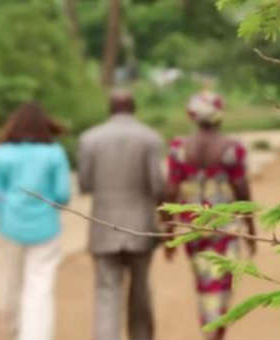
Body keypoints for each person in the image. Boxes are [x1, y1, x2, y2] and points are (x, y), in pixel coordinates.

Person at [163, 90, 256, 340]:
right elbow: (242, 189)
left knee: (205, 286)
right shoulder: (232, 149)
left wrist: (168, 235)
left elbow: (170, 190)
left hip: (193, 230)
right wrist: (251, 230)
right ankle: (214, 335)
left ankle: (210, 332)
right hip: (226, 229)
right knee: (221, 286)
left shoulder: (179, 148)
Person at [0, 102, 71, 340]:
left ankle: (13, 333)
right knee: (39, 290)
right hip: (46, 230)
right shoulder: (55, 153)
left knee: (11, 286)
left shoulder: (0, 153)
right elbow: (62, 194)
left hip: (10, 227)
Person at [78, 89, 164, 340]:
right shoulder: (150, 138)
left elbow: (85, 184)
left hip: (103, 227)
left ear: (110, 109)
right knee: (140, 291)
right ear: (134, 108)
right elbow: (157, 185)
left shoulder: (89, 139)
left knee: (107, 292)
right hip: (141, 227)